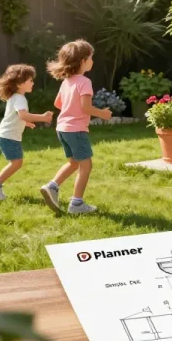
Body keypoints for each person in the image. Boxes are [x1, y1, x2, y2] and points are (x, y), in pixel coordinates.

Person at [39, 40, 112, 214]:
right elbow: (86, 107)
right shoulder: (84, 82)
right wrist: (103, 114)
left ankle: (52, 187)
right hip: (76, 130)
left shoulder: (67, 81)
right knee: (86, 166)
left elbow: (58, 103)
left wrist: (70, 107)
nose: (92, 61)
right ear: (82, 62)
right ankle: (77, 204)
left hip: (62, 129)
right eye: (91, 58)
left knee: (73, 163)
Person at [0, 64, 54, 201]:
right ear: (20, 83)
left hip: (6, 135)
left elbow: (16, 116)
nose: (33, 83)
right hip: (9, 137)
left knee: (16, 162)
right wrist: (43, 117)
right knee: (16, 163)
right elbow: (23, 115)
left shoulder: (16, 97)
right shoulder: (19, 99)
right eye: (30, 80)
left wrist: (26, 123)